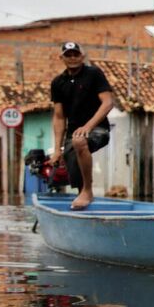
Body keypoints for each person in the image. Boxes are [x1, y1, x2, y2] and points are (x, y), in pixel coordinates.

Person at [48, 41, 116, 210]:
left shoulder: (93, 73)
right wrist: (57, 150)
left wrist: (88, 126)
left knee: (79, 141)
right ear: (61, 58)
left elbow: (107, 103)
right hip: (73, 133)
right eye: (68, 55)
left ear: (82, 56)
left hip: (98, 129)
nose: (72, 58)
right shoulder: (58, 83)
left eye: (76, 54)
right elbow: (59, 117)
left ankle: (87, 191)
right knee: (72, 156)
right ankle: (81, 199)